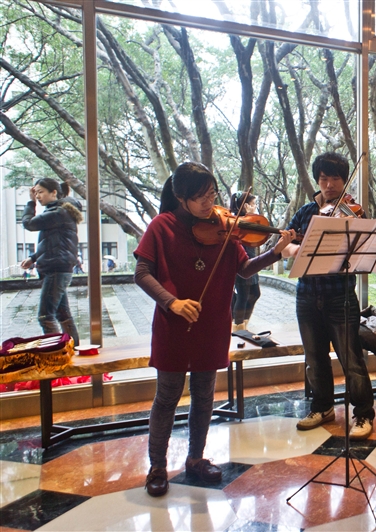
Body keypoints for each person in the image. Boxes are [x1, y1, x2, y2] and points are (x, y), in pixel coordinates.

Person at [133, 162, 295, 497]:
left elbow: (245, 269)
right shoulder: (161, 226)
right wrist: (172, 302)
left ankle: (196, 458)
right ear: (181, 197)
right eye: (201, 197)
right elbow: (142, 273)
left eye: (212, 194)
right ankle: (157, 467)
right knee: (167, 397)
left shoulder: (224, 229)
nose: (210, 203)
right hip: (174, 324)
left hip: (212, 324)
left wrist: (274, 253)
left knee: (204, 394)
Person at [283, 152, 375, 440]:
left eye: (335, 178)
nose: (329, 184)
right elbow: (285, 245)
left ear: (344, 180)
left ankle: (363, 413)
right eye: (323, 178)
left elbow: (364, 247)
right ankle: (322, 408)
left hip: (339, 296)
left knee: (352, 359)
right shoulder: (306, 212)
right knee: (314, 358)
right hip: (307, 295)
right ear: (317, 180)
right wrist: (297, 249)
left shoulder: (352, 211)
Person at [20, 178, 82, 344]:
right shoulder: (60, 211)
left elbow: (28, 223)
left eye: (40, 192)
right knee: (63, 314)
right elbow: (53, 243)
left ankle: (55, 351)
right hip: (58, 267)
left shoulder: (58, 213)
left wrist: (30, 203)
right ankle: (73, 349)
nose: (37, 196)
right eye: (36, 193)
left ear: (54, 192)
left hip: (56, 269)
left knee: (45, 316)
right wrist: (33, 258)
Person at [230, 192, 261, 332]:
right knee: (243, 295)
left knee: (255, 293)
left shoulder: (249, 220)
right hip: (243, 262)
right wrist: (251, 216)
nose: (255, 207)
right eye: (253, 204)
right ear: (245, 205)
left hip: (251, 259)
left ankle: (242, 323)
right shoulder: (240, 221)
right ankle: (238, 327)